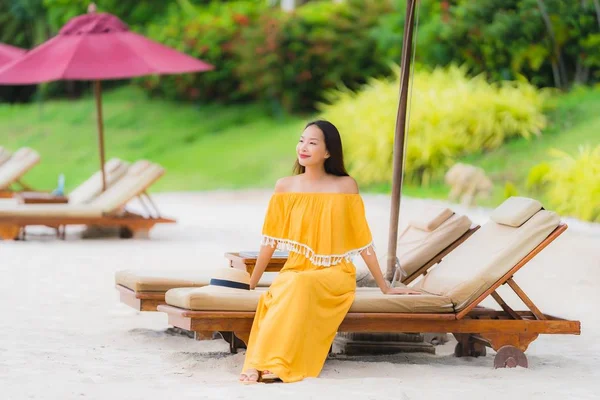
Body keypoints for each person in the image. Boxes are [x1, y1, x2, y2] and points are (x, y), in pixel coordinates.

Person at [239, 120, 420, 384]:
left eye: (312, 143)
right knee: (281, 291)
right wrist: (253, 282)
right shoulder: (285, 186)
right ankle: (257, 362)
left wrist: (385, 287)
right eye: (301, 140)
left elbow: (363, 242)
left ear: (328, 152)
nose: (303, 147)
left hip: (335, 273)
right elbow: (270, 241)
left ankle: (277, 363)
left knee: (299, 284)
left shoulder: (345, 186)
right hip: (296, 269)